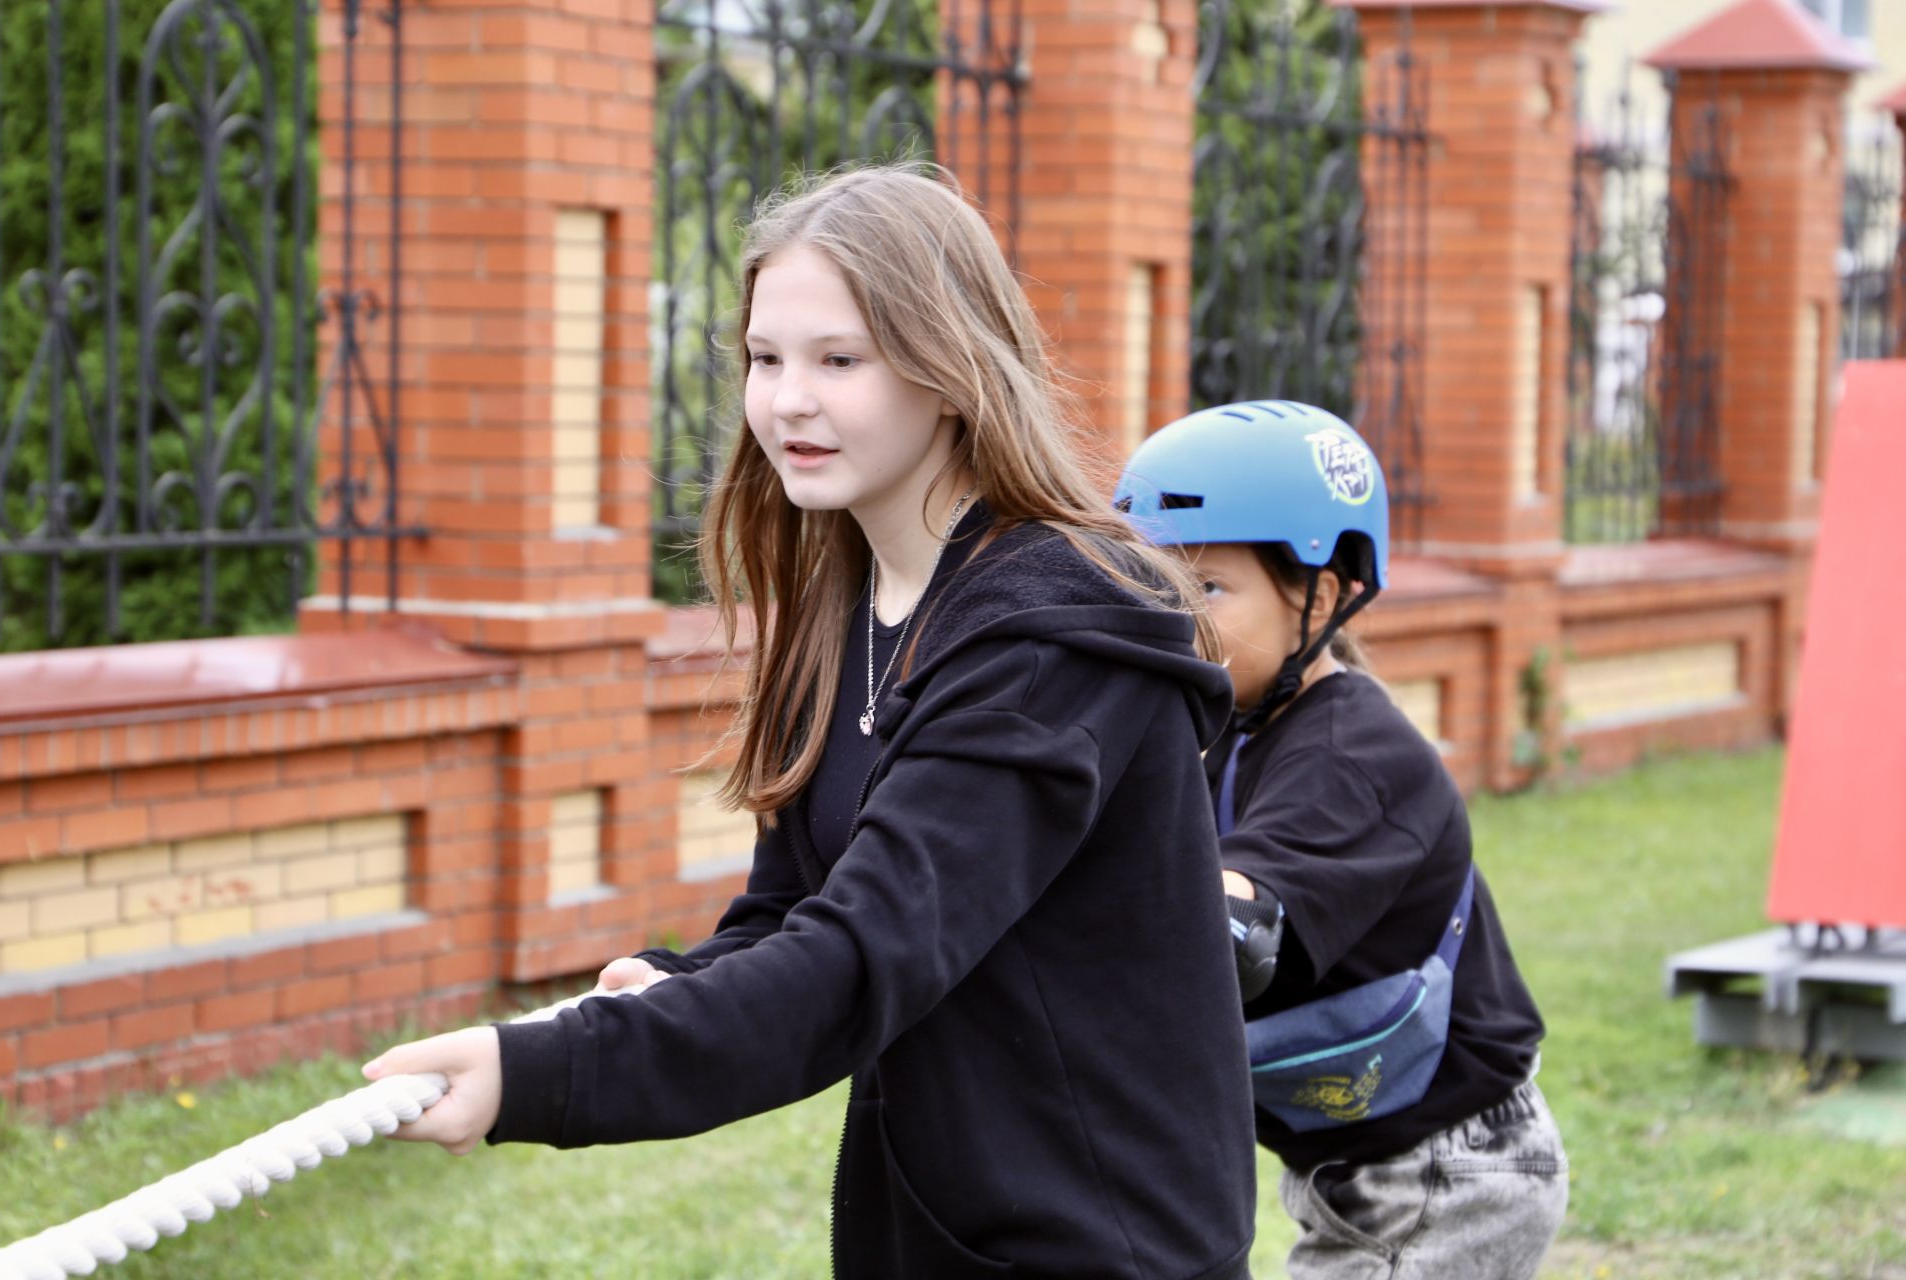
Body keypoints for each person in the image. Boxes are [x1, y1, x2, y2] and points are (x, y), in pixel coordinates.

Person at [362, 164, 1258, 1279]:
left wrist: (543, 1070)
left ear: (949, 369)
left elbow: (863, 952)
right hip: (930, 1228)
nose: (789, 399)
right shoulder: (854, 603)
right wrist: (679, 986)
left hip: (1099, 1243)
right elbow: (792, 910)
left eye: (840, 360)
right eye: (766, 357)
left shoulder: (1050, 636)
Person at [1115, 401, 1566, 1280]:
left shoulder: (1352, 753)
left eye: (1206, 589)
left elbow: (1241, 934)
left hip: (1447, 1169)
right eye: (1154, 588)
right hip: (1364, 1162)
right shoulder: (1226, 727)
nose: (1173, 619)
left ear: (1319, 596)